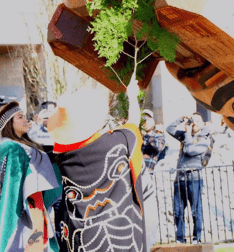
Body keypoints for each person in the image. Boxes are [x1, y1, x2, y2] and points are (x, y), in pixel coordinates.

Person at [47, 75, 158, 252]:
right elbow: (133, 124)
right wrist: (131, 95)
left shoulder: (60, 157)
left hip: (82, 239)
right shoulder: (119, 142)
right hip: (124, 238)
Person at [0, 101, 62, 252]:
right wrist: (37, 225)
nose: (26, 120)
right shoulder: (10, 147)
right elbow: (23, 185)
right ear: (9, 124)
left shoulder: (23, 145)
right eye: (20, 117)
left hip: (35, 208)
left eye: (25, 117)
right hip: (28, 210)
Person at [166, 113, 211, 244]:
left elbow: (190, 150)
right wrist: (180, 119)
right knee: (178, 210)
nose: (194, 123)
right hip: (180, 178)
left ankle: (197, 237)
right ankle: (180, 238)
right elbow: (169, 129)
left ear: (202, 124)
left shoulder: (205, 139)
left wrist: (187, 134)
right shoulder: (185, 136)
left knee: (195, 210)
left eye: (197, 121)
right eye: (193, 120)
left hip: (194, 178)